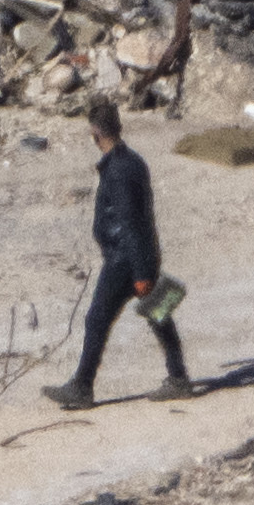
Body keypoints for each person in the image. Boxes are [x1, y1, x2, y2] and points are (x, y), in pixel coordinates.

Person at [47, 101, 192, 408]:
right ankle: (179, 378)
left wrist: (140, 272)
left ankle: (82, 387)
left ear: (95, 132)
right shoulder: (133, 162)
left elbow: (130, 222)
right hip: (139, 255)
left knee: (98, 318)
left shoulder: (118, 170)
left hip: (125, 260)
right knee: (158, 315)